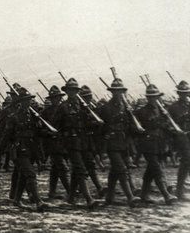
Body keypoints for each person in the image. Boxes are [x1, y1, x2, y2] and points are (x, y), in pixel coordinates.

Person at [51, 78, 99, 209]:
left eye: (75, 90)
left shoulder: (83, 106)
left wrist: (94, 122)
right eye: (70, 90)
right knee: (80, 169)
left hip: (83, 141)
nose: (72, 92)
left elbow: (88, 123)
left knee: (77, 171)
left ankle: (71, 197)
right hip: (71, 142)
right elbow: (55, 125)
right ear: (67, 92)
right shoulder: (63, 107)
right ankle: (89, 199)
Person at [133, 84, 176, 204]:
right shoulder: (141, 111)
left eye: (156, 96)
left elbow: (166, 126)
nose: (154, 99)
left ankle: (144, 195)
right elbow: (139, 129)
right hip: (148, 144)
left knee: (150, 170)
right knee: (157, 170)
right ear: (147, 98)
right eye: (151, 97)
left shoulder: (162, 110)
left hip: (160, 143)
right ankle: (166, 195)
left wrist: (167, 120)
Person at [99, 79, 140, 206]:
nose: (118, 93)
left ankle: (109, 197)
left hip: (123, 142)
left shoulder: (126, 107)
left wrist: (131, 115)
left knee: (115, 171)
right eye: (116, 91)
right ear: (112, 92)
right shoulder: (106, 108)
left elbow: (129, 126)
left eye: (120, 91)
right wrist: (103, 149)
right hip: (111, 142)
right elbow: (102, 128)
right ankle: (130, 197)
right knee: (121, 169)